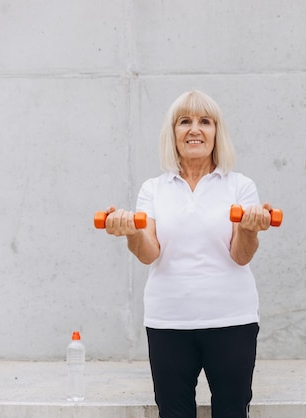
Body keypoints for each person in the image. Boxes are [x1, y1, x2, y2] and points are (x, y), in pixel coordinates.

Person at [102, 90, 276, 418]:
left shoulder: (240, 186)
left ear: (216, 133)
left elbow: (240, 255)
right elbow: (148, 252)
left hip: (231, 320)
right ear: (173, 134)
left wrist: (250, 228)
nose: (194, 129)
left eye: (204, 122)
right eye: (185, 122)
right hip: (168, 321)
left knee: (232, 412)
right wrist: (131, 231)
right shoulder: (154, 189)